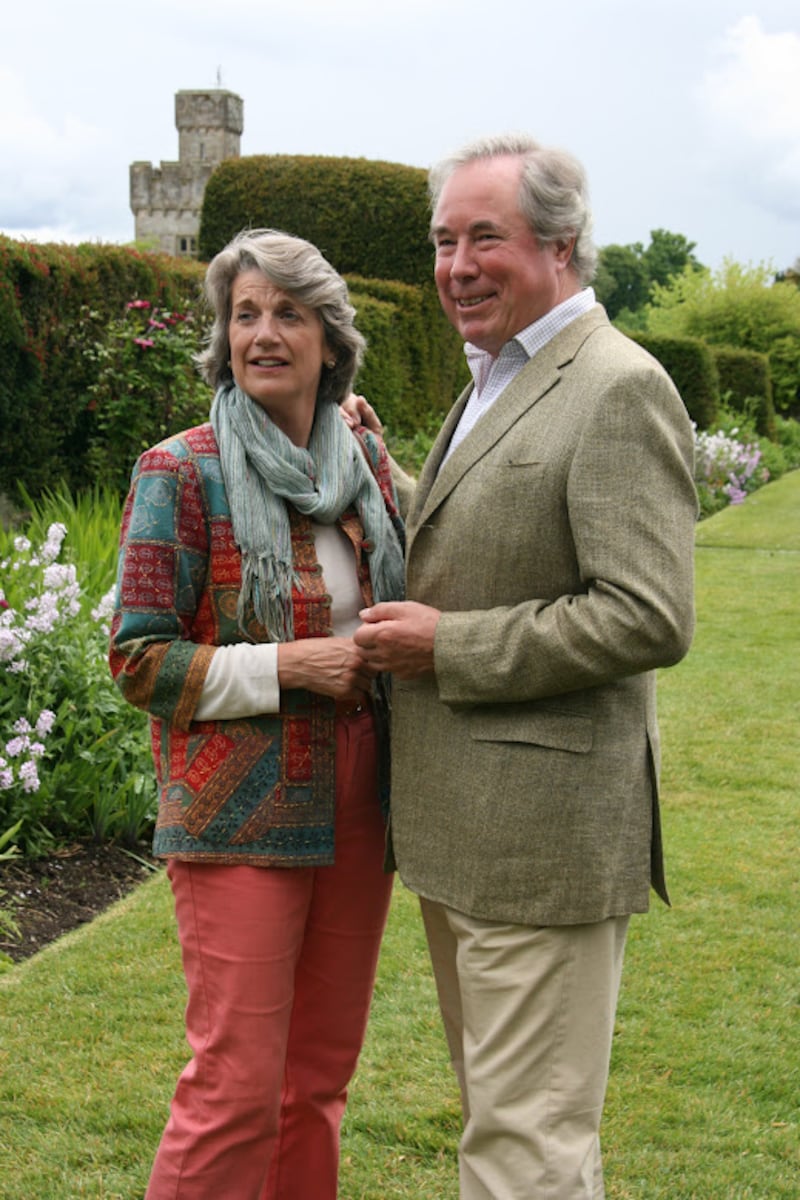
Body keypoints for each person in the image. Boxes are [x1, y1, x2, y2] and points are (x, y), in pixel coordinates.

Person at [352, 135, 698, 1198]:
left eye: (483, 237)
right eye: (443, 240)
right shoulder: (501, 375)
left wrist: (442, 646)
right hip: (469, 834)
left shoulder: (613, 386)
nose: (455, 264)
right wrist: (392, 477)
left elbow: (644, 615)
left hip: (541, 846)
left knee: (524, 1150)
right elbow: (491, 536)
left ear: (559, 244)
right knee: (517, 1132)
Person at [109, 228, 405, 1200]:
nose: (264, 333)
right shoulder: (178, 472)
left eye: (289, 313)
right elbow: (138, 657)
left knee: (316, 1083)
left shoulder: (357, 462)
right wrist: (287, 666)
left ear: (331, 339)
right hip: (236, 814)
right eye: (246, 314)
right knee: (236, 1087)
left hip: (360, 803)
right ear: (223, 337)